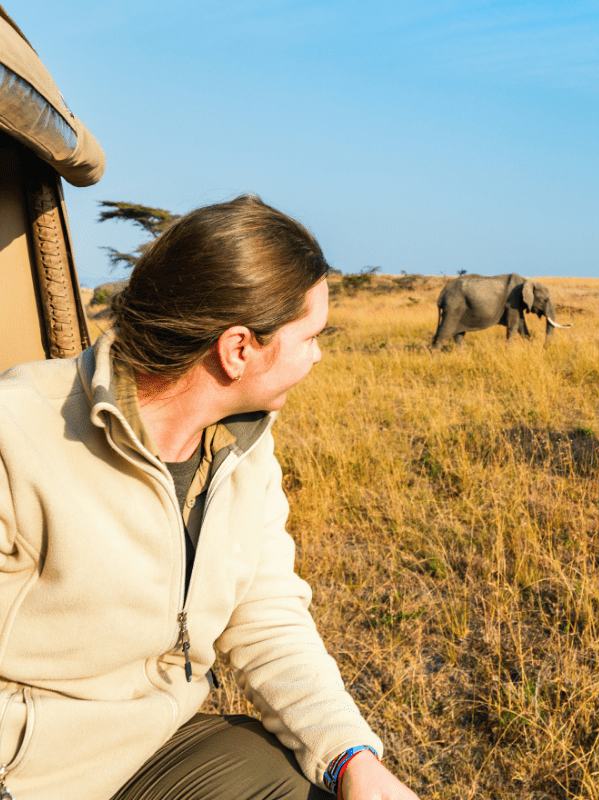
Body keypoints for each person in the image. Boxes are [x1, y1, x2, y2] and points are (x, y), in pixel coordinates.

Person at [0, 195, 420, 800]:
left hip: (158, 745)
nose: (320, 355)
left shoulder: (241, 448)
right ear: (239, 349)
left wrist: (352, 758)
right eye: (310, 336)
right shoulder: (19, 436)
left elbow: (266, 617)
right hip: (33, 773)